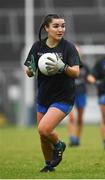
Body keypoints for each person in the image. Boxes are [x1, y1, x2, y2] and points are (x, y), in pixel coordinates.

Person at [24, 14, 80, 172]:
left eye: (62, 25)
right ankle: (49, 165)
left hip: (63, 98)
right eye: (56, 26)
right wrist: (31, 69)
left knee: (44, 129)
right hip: (43, 97)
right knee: (42, 135)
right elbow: (29, 72)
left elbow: (76, 72)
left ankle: (59, 144)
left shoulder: (68, 47)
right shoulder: (37, 47)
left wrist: (63, 67)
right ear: (46, 28)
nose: (60, 29)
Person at [67, 45, 93, 146]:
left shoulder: (85, 66)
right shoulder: (67, 65)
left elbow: (89, 77)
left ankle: (77, 139)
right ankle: (72, 137)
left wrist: (93, 80)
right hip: (69, 93)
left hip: (81, 93)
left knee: (80, 118)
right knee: (71, 117)